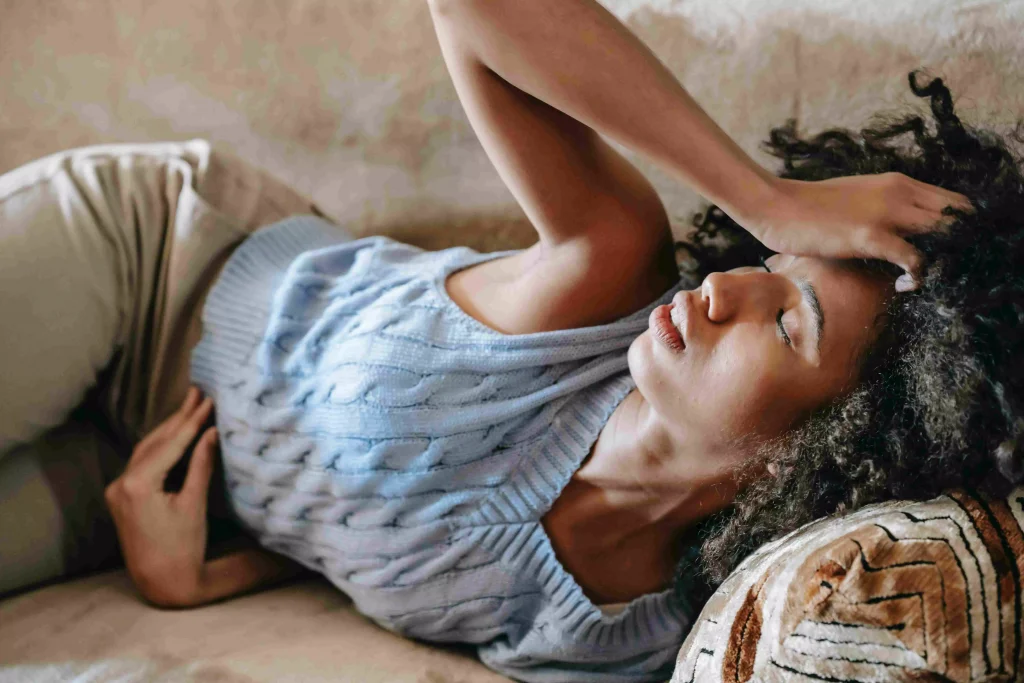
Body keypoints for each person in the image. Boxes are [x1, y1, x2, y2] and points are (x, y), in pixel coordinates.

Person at [2, 2, 1015, 683]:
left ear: (824, 453)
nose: (730, 285)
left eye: (789, 320)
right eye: (776, 257)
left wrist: (199, 580)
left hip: (148, 471)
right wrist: (765, 197)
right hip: (148, 270)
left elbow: (393, 531)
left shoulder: (633, 636)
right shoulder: (607, 272)